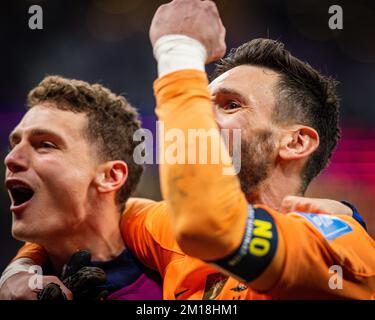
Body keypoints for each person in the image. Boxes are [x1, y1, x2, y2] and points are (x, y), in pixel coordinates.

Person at [1, 0, 373, 300]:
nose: (199, 119)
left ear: (295, 142)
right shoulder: (173, 233)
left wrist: (178, 51)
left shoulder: (336, 247)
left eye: (229, 105)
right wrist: (22, 272)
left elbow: (210, 225)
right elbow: (76, 209)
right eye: (201, 103)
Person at [0, 76, 162, 300]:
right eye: (14, 144)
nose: (11, 158)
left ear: (110, 176)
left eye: (45, 145)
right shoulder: (15, 288)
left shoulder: (180, 278)